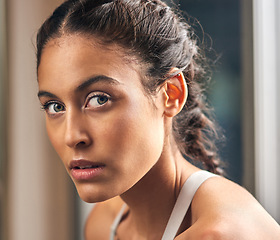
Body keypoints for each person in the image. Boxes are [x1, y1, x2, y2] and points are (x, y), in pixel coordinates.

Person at [35, 0, 280, 239]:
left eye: (99, 99)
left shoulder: (224, 233)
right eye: (55, 106)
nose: (71, 136)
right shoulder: (104, 224)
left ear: (171, 94)